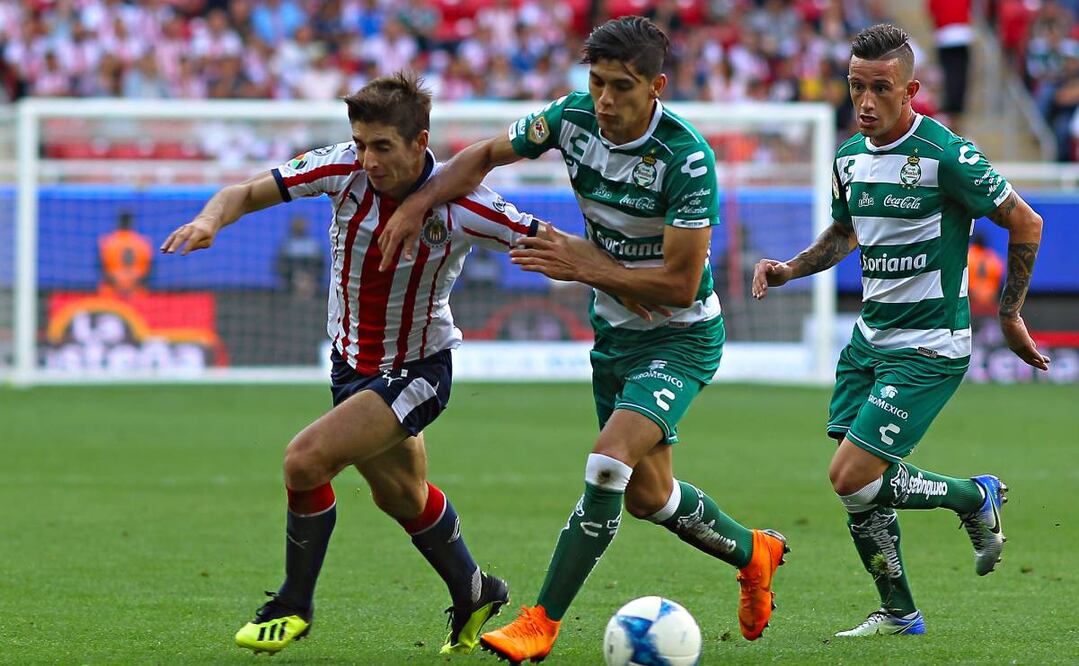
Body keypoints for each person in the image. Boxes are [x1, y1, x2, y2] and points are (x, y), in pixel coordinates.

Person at [379, 16, 789, 663]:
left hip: (680, 338)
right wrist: (416, 204)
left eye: (620, 87)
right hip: (615, 336)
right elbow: (484, 156)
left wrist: (584, 264)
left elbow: (680, 285)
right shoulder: (570, 119)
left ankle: (540, 622)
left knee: (606, 461)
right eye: (595, 83)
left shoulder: (684, 159)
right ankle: (753, 551)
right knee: (649, 496)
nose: (603, 100)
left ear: (655, 86)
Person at [160, 72, 544, 656]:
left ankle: (292, 605)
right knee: (402, 498)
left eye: (382, 146)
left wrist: (625, 276)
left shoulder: (465, 204)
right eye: (361, 143)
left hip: (418, 370)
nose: (367, 158)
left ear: (421, 142)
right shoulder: (340, 169)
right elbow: (241, 193)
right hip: (351, 367)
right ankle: (477, 591)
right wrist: (212, 220)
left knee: (304, 461)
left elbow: (545, 238)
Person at [752, 24, 1049, 637]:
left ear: (910, 88)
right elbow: (844, 233)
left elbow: (1026, 220)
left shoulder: (946, 154)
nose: (864, 101)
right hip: (870, 341)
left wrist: (1010, 312)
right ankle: (899, 612)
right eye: (856, 86)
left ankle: (972, 497)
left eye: (879, 88)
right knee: (858, 487)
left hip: (930, 345)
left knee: (848, 474)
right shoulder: (848, 157)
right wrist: (789, 269)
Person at [99, 211, 153, 297]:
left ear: (118, 222)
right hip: (138, 293)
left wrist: (118, 285)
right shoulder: (142, 242)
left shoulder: (106, 241)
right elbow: (150, 270)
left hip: (111, 294)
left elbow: (100, 268)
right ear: (131, 223)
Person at [276, 215, 325, 298]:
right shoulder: (286, 245)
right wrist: (296, 276)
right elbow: (280, 266)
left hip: (311, 278)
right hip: (291, 279)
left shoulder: (313, 245)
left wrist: (308, 276)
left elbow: (320, 265)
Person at [968, 231, 1005, 319]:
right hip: (990, 301)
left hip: (972, 301)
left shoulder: (968, 256)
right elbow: (1000, 279)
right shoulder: (994, 258)